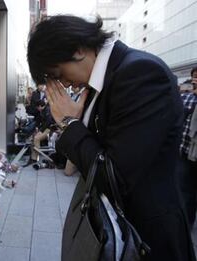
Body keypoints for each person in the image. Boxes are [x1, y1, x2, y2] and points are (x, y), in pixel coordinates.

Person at [27, 15, 195, 261]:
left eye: (58, 74)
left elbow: (116, 177)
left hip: (147, 237)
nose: (63, 84)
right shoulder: (103, 81)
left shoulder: (139, 73)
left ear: (77, 49)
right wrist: (71, 122)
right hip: (119, 229)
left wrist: (70, 123)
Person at [177, 67, 197, 228]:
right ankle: (186, 223)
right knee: (184, 190)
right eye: (194, 78)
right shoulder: (186, 98)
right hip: (184, 151)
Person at [27, 99, 55, 165]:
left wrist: (41, 131)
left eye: (37, 107)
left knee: (36, 138)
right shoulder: (42, 111)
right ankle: (33, 156)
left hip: (49, 129)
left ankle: (35, 158)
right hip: (44, 128)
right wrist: (37, 128)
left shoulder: (47, 110)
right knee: (32, 138)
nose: (37, 109)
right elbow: (38, 120)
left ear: (40, 106)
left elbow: (48, 122)